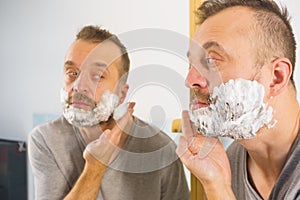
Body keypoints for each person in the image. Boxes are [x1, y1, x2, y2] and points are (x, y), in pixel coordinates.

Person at [28, 25, 189, 200]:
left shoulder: (160, 150)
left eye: (97, 75)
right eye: (72, 73)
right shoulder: (46, 140)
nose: (78, 86)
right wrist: (95, 166)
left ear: (121, 93)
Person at [176, 0, 300, 199]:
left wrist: (220, 191)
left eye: (211, 60)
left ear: (276, 77)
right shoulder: (231, 160)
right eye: (191, 64)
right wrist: (215, 182)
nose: (190, 81)